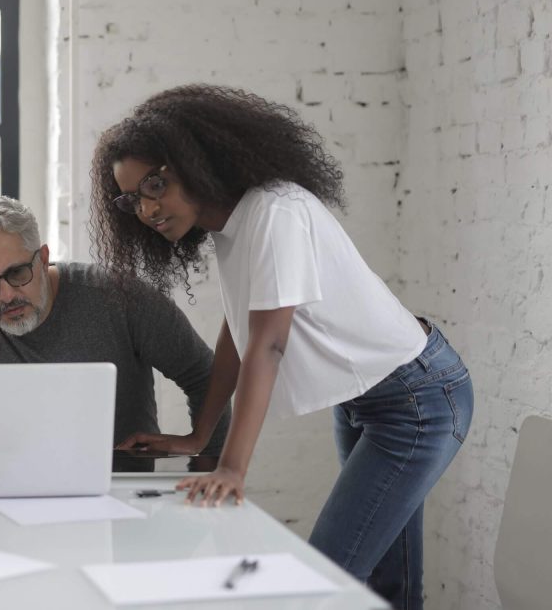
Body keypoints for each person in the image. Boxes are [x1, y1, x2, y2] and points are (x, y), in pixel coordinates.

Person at [89, 83, 473, 610]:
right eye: (133, 198)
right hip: (367, 398)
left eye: (156, 183)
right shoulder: (229, 224)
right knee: (387, 586)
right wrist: (202, 437)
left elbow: (267, 347)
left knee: (325, 582)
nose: (148, 208)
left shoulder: (275, 212)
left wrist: (233, 469)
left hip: (416, 401)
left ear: (196, 160)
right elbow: (240, 330)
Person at [0, 195, 231, 463]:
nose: (6, 295)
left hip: (122, 494)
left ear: (43, 259)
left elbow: (205, 376)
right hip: (8, 496)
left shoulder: (118, 297)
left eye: (17, 273)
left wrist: (209, 464)